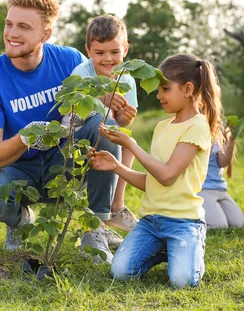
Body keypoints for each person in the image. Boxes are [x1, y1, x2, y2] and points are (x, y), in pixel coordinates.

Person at [0, 0, 120, 264]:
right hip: (18, 170)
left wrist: (103, 106)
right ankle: (21, 219)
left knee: (106, 126)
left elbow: (97, 111)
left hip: (63, 165)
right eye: (9, 24)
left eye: (23, 27)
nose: (12, 34)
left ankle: (96, 228)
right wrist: (25, 138)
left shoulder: (70, 60)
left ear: (45, 34)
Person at [90, 53, 222, 288]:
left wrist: (130, 145)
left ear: (188, 89)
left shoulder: (197, 127)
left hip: (184, 222)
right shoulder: (162, 127)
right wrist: (116, 166)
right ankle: (166, 249)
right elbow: (153, 181)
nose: (159, 95)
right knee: (121, 272)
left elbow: (167, 175)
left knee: (182, 282)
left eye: (165, 89)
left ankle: (187, 247)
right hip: (151, 221)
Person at [69, 15, 139, 232]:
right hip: (77, 136)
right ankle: (98, 220)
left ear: (125, 50)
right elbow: (73, 110)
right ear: (88, 51)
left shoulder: (126, 80)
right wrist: (101, 98)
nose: (107, 59)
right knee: (106, 126)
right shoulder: (82, 73)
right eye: (99, 53)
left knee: (128, 142)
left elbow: (120, 121)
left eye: (115, 52)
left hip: (106, 134)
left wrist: (125, 117)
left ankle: (116, 205)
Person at [199, 127, 244, 229]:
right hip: (202, 188)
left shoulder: (218, 129)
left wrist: (231, 140)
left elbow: (222, 162)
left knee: (241, 226)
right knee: (219, 226)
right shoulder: (196, 127)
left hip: (218, 188)